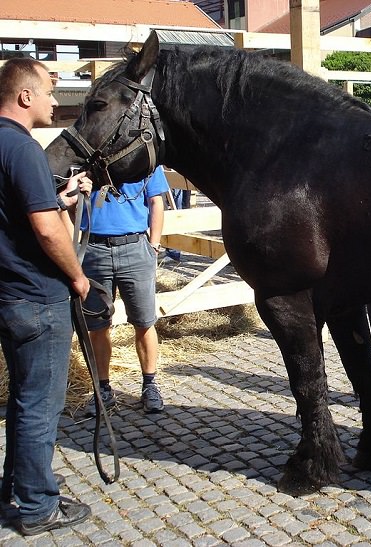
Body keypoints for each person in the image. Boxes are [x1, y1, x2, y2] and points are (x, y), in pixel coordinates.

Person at [0, 57, 92, 535]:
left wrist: (60, 200)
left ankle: (15, 488)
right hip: (37, 296)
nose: (56, 101)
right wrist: (77, 276)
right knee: (41, 405)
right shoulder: (23, 149)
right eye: (49, 92)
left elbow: (19, 213)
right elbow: (46, 230)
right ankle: (37, 507)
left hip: (7, 293)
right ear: (24, 97)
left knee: (21, 398)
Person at [81, 165, 169, 415]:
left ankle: (150, 385)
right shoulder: (88, 163)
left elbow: (156, 202)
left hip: (134, 247)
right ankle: (103, 390)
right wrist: (79, 194)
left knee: (144, 321)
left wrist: (153, 245)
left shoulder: (147, 163)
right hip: (95, 250)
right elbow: (69, 207)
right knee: (98, 326)